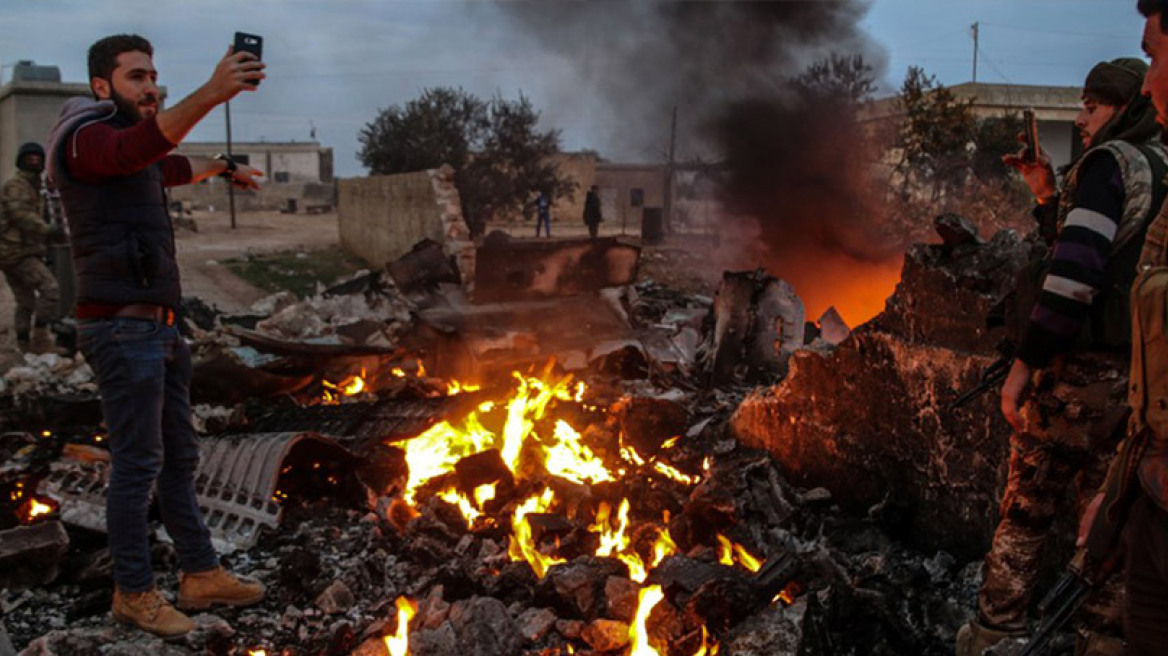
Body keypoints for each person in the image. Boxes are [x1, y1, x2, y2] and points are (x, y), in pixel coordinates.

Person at [45, 34, 267, 639]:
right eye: (136, 77)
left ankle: (199, 573)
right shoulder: (85, 137)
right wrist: (213, 93)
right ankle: (134, 594)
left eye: (154, 77)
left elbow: (164, 164)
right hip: (120, 328)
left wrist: (223, 168)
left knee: (178, 457)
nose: (150, 87)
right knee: (138, 465)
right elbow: (137, 149)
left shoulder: (126, 146)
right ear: (101, 86)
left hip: (159, 327)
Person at [957, 58, 1167, 656]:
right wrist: (1049, 196)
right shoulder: (1161, 166)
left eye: (1092, 107)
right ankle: (1100, 643)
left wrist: (1024, 365)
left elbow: (1074, 277)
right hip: (1142, 388)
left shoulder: (1109, 165)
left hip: (1083, 379)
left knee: (1027, 508)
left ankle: (994, 633)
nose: (1080, 120)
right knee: (1107, 531)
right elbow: (1116, 249)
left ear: (1125, 109)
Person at [0, 142, 62, 353]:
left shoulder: (34, 186)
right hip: (17, 252)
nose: (35, 160)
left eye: (38, 157)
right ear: (21, 161)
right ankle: (41, 338)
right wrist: (48, 230)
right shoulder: (17, 186)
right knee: (50, 289)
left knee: (25, 301)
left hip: (18, 252)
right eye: (30, 157)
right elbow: (21, 216)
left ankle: (25, 346)